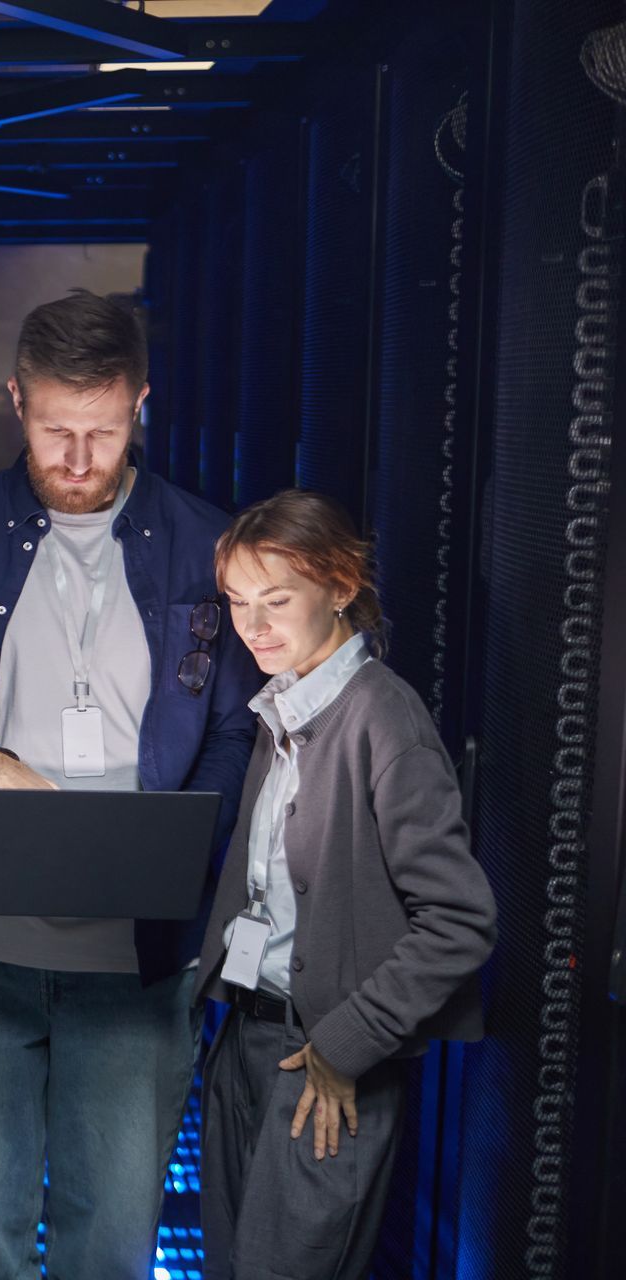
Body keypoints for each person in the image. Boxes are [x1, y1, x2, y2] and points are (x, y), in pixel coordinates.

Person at [0, 289, 260, 1278]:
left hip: (140, 954)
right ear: (14, 401)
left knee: (111, 1238)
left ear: (142, 404)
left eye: (105, 429)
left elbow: (228, 730)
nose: (80, 459)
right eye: (55, 432)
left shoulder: (208, 544)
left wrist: (182, 843)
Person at [198, 489, 496, 1280]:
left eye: (277, 599)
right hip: (246, 1041)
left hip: (325, 1060)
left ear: (339, 586)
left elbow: (461, 921)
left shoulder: (381, 722)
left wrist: (345, 1044)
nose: (253, 625)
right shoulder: (285, 707)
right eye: (237, 602)